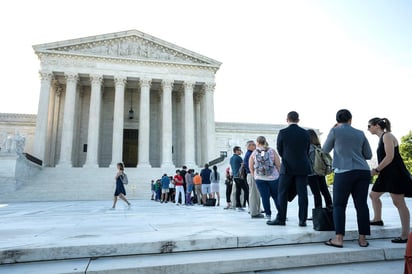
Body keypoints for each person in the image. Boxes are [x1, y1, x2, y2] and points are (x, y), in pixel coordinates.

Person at [323, 109, 372, 248]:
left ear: (337, 120)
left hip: (344, 172)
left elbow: (325, 149)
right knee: (361, 205)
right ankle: (362, 239)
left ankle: (339, 239)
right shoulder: (360, 133)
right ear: (351, 119)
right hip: (363, 171)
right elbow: (368, 155)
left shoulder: (335, 131)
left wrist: (331, 131)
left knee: (339, 205)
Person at [368, 117, 412, 243]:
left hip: (394, 174)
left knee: (398, 202)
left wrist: (376, 170)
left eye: (369, 126)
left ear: (377, 126)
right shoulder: (382, 138)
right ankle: (377, 219)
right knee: (373, 195)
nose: (368, 128)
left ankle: (405, 235)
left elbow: (390, 156)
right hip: (386, 174)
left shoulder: (387, 136)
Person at [268, 111, 311, 227]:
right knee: (303, 194)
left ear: (287, 119)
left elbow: (280, 149)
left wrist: (287, 157)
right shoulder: (305, 133)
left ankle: (281, 218)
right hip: (302, 166)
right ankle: (302, 220)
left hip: (287, 166)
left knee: (282, 193)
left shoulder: (283, 132)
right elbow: (307, 150)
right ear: (298, 120)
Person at [249, 136, 281, 220]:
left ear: (257, 142)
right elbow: (278, 165)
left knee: (265, 197)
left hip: (260, 178)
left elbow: (250, 166)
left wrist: (254, 176)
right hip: (273, 177)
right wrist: (279, 175)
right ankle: (281, 213)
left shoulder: (254, 153)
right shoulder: (272, 151)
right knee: (276, 196)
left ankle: (268, 215)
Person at [307, 129, 333, 210]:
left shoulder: (309, 148)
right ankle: (330, 208)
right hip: (320, 172)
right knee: (325, 191)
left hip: (312, 173)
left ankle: (318, 212)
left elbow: (310, 161)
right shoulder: (318, 147)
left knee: (316, 193)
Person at [244, 140, 264, 218]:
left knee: (255, 194)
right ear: (249, 146)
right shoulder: (250, 154)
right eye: (253, 145)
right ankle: (254, 212)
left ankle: (256, 210)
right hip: (252, 175)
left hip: (252, 175)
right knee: (253, 194)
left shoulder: (250, 154)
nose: (255, 146)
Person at [230, 146, 249, 211]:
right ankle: (250, 205)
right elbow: (243, 165)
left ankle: (238, 205)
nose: (240, 152)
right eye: (239, 150)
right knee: (247, 190)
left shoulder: (231, 158)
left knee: (238, 191)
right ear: (236, 151)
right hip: (240, 176)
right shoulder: (238, 158)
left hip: (235, 177)